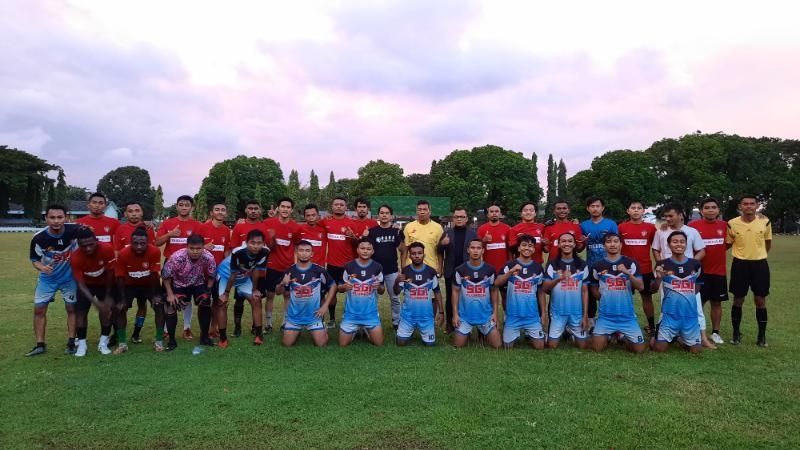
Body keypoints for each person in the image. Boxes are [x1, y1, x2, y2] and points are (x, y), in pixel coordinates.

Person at [652, 203, 713, 349]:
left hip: (689, 277)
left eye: (671, 216)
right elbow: (655, 249)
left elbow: (701, 251)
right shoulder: (661, 231)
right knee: (667, 305)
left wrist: (689, 266)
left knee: (695, 307)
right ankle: (666, 334)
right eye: (665, 216)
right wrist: (661, 264)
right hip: (668, 275)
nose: (668, 219)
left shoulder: (692, 231)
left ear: (680, 215)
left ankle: (702, 337)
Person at [25, 205, 81, 357]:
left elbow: (90, 231)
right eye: (52, 217)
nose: (56, 221)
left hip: (69, 278)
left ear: (66, 217)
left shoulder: (74, 230)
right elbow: (35, 260)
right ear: (46, 218)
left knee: (71, 308)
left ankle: (71, 342)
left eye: (59, 217)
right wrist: (42, 267)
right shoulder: (38, 238)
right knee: (39, 310)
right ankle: (40, 344)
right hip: (48, 279)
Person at [726, 194, 772, 347]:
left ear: (757, 205)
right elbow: (727, 243)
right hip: (740, 265)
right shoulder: (732, 223)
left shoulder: (765, 222)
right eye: (745, 204)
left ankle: (761, 336)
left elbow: (768, 243)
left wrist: (758, 255)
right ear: (740, 206)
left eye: (752, 203)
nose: (749, 206)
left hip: (760, 265)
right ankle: (736, 333)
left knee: (760, 300)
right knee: (738, 299)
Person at [589, 233, 646, 353]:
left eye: (616, 241)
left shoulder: (631, 263)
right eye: (609, 242)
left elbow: (640, 287)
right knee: (597, 348)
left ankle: (623, 336)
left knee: (639, 350)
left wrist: (628, 273)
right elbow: (593, 288)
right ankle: (609, 335)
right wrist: (604, 298)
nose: (612, 244)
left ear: (621, 245)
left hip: (627, 317)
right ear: (604, 246)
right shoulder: (597, 265)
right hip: (606, 317)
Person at [156, 195, 203, 341]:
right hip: (171, 265)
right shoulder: (167, 223)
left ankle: (187, 328)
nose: (184, 207)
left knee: (187, 297)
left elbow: (201, 245)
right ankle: (165, 329)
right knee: (168, 297)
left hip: (191, 266)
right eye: (181, 205)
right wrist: (170, 234)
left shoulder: (197, 225)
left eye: (187, 205)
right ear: (176, 206)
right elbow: (157, 242)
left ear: (191, 208)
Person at [161, 235, 216, 351]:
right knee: (172, 306)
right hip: (178, 284)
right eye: (192, 248)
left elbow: (211, 276)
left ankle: (204, 337)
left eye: (199, 248)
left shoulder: (209, 257)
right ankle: (171, 340)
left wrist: (208, 291)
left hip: (197, 283)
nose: (195, 251)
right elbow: (166, 277)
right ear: (187, 247)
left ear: (203, 248)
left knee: (205, 302)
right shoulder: (177, 257)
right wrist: (170, 295)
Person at [651, 231, 703, 353]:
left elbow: (698, 287)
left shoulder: (695, 265)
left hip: (689, 316)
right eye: (675, 242)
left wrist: (684, 296)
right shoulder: (662, 264)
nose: (679, 244)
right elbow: (653, 289)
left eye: (682, 241)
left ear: (686, 244)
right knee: (658, 349)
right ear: (669, 245)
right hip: (669, 315)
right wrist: (659, 278)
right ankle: (659, 336)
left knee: (696, 351)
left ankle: (679, 338)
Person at [276, 241, 336, 347]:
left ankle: (322, 326)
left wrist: (325, 306)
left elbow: (333, 285)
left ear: (312, 253)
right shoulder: (289, 271)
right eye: (301, 250)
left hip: (314, 316)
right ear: (296, 252)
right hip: (294, 317)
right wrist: (282, 283)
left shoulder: (319, 271)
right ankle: (295, 329)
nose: (304, 253)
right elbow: (277, 292)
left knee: (322, 344)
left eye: (307, 251)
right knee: (287, 344)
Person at [115, 227, 164, 353]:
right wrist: (121, 299)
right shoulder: (123, 254)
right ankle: (122, 343)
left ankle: (159, 340)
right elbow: (120, 277)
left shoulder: (154, 251)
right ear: (131, 242)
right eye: (135, 243)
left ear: (147, 242)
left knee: (159, 306)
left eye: (142, 243)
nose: (139, 247)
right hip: (129, 285)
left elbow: (154, 275)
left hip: (148, 284)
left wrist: (156, 295)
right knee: (121, 308)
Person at [114, 201, 156, 343]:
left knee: (142, 304)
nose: (133, 213)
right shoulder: (120, 229)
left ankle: (136, 334)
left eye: (137, 210)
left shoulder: (148, 228)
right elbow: (117, 252)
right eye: (130, 211)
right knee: (122, 306)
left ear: (142, 212)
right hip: (127, 277)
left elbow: (153, 250)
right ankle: (119, 335)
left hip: (144, 275)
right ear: (126, 214)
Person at [217, 230, 268, 346]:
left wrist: (255, 289)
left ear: (263, 243)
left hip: (243, 278)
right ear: (246, 242)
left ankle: (259, 335)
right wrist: (226, 293)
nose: (255, 246)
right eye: (252, 243)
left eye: (259, 243)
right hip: (226, 276)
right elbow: (233, 274)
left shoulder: (265, 251)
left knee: (256, 300)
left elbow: (256, 270)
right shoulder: (238, 252)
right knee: (221, 303)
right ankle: (223, 338)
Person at [494, 235, 547, 349]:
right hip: (513, 315)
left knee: (540, 347)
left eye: (530, 246)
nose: (527, 248)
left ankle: (537, 334)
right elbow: (497, 283)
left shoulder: (538, 268)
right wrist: (510, 272)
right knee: (507, 347)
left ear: (534, 249)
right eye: (524, 245)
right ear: (518, 248)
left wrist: (543, 313)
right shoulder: (509, 265)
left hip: (531, 316)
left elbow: (541, 292)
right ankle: (512, 330)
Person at [70, 227, 116, 357]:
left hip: (104, 284)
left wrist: (107, 298)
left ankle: (103, 342)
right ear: (79, 245)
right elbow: (80, 284)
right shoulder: (75, 257)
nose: (88, 248)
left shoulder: (106, 249)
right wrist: (95, 303)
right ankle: (82, 344)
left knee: (106, 312)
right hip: (86, 286)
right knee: (81, 313)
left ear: (96, 240)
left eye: (91, 244)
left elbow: (110, 274)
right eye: (84, 246)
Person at [688, 198, 728, 344]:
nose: (710, 210)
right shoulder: (693, 226)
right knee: (698, 303)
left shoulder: (724, 226)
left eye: (713, 207)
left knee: (717, 302)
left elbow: (727, 244)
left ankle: (715, 333)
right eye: (707, 207)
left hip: (718, 272)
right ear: (701, 210)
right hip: (699, 272)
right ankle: (696, 331)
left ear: (718, 210)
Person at [451, 239, 502, 349]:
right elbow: (455, 292)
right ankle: (467, 332)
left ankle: (483, 332)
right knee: (458, 345)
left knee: (497, 345)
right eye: (473, 248)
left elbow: (494, 291)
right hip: (465, 316)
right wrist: (455, 315)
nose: (475, 251)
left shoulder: (490, 269)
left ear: (483, 250)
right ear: (468, 250)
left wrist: (495, 314)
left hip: (485, 316)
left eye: (478, 248)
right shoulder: (460, 270)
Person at [543, 232, 590, 349]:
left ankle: (571, 331)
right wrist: (558, 279)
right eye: (563, 241)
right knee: (551, 346)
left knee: (583, 346)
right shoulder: (552, 264)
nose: (566, 244)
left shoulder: (582, 265)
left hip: (576, 313)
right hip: (558, 313)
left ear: (574, 245)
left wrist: (585, 315)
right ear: (558, 245)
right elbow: (545, 288)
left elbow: (585, 291)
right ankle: (555, 332)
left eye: (570, 241)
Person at [262, 197, 301, 333]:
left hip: (288, 267)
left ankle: (285, 321)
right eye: (283, 206)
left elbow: (296, 247)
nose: (285, 209)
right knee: (270, 294)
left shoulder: (295, 227)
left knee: (287, 294)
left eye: (288, 207)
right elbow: (267, 246)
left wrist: (295, 266)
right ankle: (268, 323)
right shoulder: (268, 223)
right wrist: (272, 238)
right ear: (278, 208)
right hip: (272, 266)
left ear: (291, 210)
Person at [618, 200, 657, 337]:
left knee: (647, 298)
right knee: (624, 298)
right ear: (628, 211)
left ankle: (651, 326)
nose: (635, 210)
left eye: (639, 208)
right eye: (632, 208)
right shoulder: (621, 227)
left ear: (643, 211)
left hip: (645, 269)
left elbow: (656, 247)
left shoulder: (651, 228)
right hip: (625, 270)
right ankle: (621, 326)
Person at [393, 242, 444, 346]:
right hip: (408, 317)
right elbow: (396, 291)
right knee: (400, 343)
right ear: (410, 255)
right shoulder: (405, 271)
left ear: (424, 254)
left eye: (419, 253)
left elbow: (437, 292)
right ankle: (408, 330)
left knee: (430, 345)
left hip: (426, 317)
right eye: (414, 253)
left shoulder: (431, 271)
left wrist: (441, 312)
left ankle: (425, 328)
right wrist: (397, 281)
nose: (417, 256)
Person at [229, 200, 267, 337]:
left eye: (256, 208)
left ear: (260, 211)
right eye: (250, 208)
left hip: (257, 270)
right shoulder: (239, 227)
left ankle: (255, 327)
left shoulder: (264, 226)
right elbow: (232, 248)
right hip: (242, 271)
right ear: (246, 210)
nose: (253, 211)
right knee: (239, 300)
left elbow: (265, 249)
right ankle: (237, 328)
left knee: (257, 298)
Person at [319, 196, 358, 329]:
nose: (339, 206)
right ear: (332, 206)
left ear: (346, 207)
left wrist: (353, 237)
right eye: (336, 204)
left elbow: (358, 243)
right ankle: (332, 318)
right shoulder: (325, 221)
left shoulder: (351, 223)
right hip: (331, 265)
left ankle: (352, 318)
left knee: (352, 292)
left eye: (342, 204)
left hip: (348, 265)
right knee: (332, 292)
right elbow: (312, 225)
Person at [338, 239, 385, 347]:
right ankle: (355, 330)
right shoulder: (348, 266)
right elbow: (339, 288)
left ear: (373, 251)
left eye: (368, 249)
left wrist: (378, 287)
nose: (365, 251)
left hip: (370, 314)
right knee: (343, 344)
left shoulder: (378, 267)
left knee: (379, 343)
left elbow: (382, 290)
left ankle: (366, 329)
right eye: (362, 248)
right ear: (357, 250)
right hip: (351, 315)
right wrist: (344, 287)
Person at [438, 207, 477, 333]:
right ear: (453, 218)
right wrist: (442, 244)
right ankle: (450, 324)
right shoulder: (447, 232)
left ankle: (467, 323)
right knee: (450, 299)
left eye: (461, 217)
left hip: (467, 271)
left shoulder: (472, 234)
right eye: (456, 217)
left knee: (467, 298)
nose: (459, 219)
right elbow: (438, 250)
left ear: (466, 218)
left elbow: (478, 250)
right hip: (451, 270)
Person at [580, 197, 619, 325]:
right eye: (592, 206)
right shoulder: (583, 225)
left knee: (609, 294)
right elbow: (580, 248)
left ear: (602, 208)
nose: (595, 208)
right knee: (591, 295)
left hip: (608, 266)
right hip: (591, 266)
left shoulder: (611, 224)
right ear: (588, 209)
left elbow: (617, 244)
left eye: (597, 206)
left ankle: (611, 321)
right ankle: (591, 322)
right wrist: (582, 242)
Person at [367, 204, 405, 329]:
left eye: (387, 213)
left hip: (391, 270)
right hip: (375, 271)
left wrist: (401, 236)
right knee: (373, 297)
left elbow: (402, 250)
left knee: (394, 297)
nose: (384, 215)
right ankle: (373, 320)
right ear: (378, 215)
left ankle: (396, 322)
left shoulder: (395, 231)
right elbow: (367, 250)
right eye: (382, 213)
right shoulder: (373, 231)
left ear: (391, 216)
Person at [199, 202, 231, 338]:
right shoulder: (202, 227)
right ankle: (204, 330)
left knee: (219, 302)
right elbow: (192, 247)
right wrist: (204, 247)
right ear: (211, 213)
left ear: (226, 213)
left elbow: (226, 252)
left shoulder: (226, 230)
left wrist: (228, 269)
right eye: (217, 209)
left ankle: (214, 328)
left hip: (220, 274)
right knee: (204, 301)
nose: (220, 212)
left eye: (223, 210)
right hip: (204, 273)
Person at [401, 199, 444, 272]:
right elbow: (405, 248)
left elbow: (440, 251)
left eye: (425, 209)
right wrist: (403, 266)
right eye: (419, 210)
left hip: (431, 267)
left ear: (430, 212)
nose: (422, 212)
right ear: (416, 212)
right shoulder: (409, 227)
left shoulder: (438, 228)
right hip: (411, 267)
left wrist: (440, 268)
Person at [477, 203, 511, 274]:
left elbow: (511, 248)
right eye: (491, 212)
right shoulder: (481, 229)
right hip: (487, 268)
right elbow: (477, 248)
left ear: (500, 214)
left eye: (496, 211)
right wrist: (484, 240)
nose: (494, 213)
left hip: (504, 268)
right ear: (488, 215)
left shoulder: (507, 228)